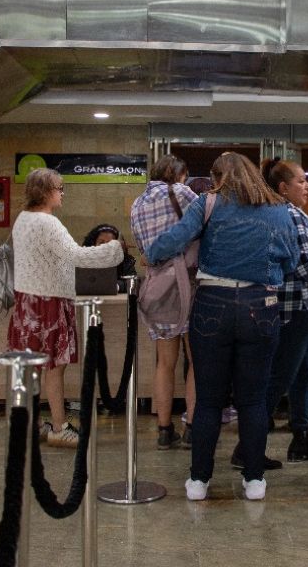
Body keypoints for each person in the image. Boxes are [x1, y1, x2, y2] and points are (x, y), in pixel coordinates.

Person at [145, 152, 298, 501]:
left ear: (218, 177)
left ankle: (199, 481)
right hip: (261, 306)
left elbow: (175, 238)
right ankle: (255, 480)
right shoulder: (278, 208)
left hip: (212, 303)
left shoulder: (208, 202)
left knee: (210, 401)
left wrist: (151, 253)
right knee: (254, 400)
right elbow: (292, 259)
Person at [10, 169, 123, 447]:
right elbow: (76, 255)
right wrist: (115, 250)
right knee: (55, 367)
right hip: (49, 300)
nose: (62, 193)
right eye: (60, 188)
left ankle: (33, 424)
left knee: (32, 368)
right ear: (45, 191)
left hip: (27, 301)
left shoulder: (22, 220)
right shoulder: (48, 223)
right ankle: (60, 427)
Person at [260, 157, 308, 463]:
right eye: (301, 181)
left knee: (305, 374)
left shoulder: (289, 212)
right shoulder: (287, 214)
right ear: (283, 187)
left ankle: (301, 438)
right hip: (291, 308)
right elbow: (303, 264)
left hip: (300, 306)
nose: (307, 186)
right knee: (280, 376)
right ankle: (247, 446)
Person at [130, 154, 200, 450]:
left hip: (156, 285)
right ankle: (193, 429)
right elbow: (202, 222)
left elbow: (142, 248)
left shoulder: (136, 203)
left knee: (164, 362)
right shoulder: (181, 192)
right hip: (188, 284)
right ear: (179, 174)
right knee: (195, 361)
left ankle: (163, 429)